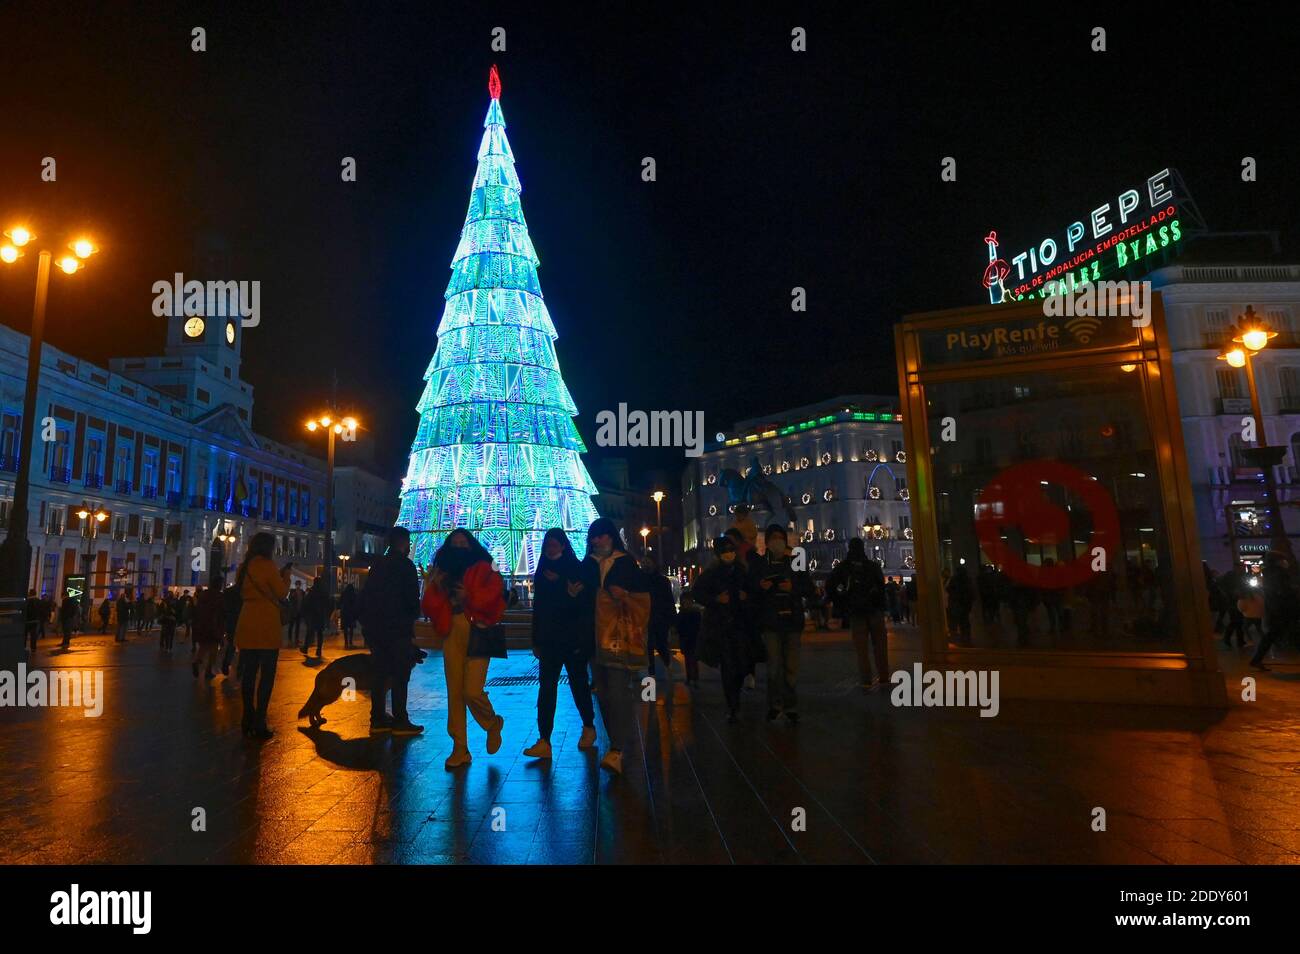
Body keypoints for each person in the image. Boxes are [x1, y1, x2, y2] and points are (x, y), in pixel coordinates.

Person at [421, 528, 507, 767]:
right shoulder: (441, 572)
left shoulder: (486, 567)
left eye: (463, 543)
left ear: (472, 545)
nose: (459, 547)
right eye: (455, 543)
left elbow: (495, 596)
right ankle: (459, 747)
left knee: (471, 690)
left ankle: (492, 723)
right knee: (455, 693)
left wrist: (468, 597)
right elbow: (429, 607)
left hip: (478, 629)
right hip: (452, 631)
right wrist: (435, 587)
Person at [581, 517, 649, 774]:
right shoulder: (587, 564)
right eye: (593, 537)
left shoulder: (626, 562)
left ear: (611, 536)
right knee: (604, 692)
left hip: (617, 636)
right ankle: (616, 741)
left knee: (618, 690)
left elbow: (642, 594)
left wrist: (626, 596)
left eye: (602, 536)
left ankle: (618, 747)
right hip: (592, 637)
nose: (597, 541)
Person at [521, 528, 596, 759]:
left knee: (578, 684)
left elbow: (582, 603)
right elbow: (539, 609)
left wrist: (561, 584)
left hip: (572, 638)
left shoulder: (575, 568)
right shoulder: (541, 570)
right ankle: (544, 739)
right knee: (546, 689)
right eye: (548, 545)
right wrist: (536, 639)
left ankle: (589, 726)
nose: (550, 548)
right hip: (549, 640)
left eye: (555, 544)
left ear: (563, 546)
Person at [360, 526, 424, 736]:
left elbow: (367, 596)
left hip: (377, 630)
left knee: (379, 674)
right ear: (404, 543)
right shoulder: (406, 566)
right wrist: (412, 616)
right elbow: (412, 600)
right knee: (399, 675)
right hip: (398, 630)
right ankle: (400, 719)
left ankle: (377, 719)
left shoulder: (377, 565)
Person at [749, 524, 814, 725]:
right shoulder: (760, 564)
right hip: (770, 621)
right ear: (767, 541)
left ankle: (791, 705)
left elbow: (808, 587)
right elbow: (750, 588)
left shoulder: (795, 561)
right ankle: (775, 705)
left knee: (791, 666)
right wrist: (760, 586)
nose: (777, 541)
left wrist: (792, 587)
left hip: (792, 620)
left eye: (780, 537)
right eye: (773, 537)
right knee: (774, 666)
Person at [233, 532, 292, 739]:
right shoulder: (268, 566)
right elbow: (282, 593)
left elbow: (240, 592)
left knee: (248, 674)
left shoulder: (243, 567)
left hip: (247, 620)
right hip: (266, 623)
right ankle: (260, 720)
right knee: (266, 676)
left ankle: (246, 716)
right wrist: (286, 576)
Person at [692, 535, 751, 720]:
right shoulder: (711, 574)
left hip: (741, 623)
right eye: (725, 552)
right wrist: (716, 600)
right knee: (728, 666)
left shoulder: (741, 571)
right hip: (722, 625)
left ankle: (736, 698)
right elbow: (697, 593)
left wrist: (746, 596)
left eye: (731, 550)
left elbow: (753, 590)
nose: (728, 554)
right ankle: (732, 704)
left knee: (742, 665)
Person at [828, 537, 889, 690]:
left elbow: (830, 586)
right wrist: (880, 605)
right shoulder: (872, 566)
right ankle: (883, 676)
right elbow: (882, 588)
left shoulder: (844, 567)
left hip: (856, 612)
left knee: (861, 650)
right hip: (875, 611)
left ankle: (866, 679)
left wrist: (841, 602)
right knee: (880, 646)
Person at [1252, 549, 1297, 671]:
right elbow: (1284, 591)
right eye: (1284, 560)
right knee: (1278, 633)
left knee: (1271, 634)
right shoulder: (1280, 574)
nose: (1286, 562)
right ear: (1279, 561)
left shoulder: (1268, 573)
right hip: (1284, 608)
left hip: (1274, 608)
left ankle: (1256, 659)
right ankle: (1256, 659)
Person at [642, 558, 677, 686]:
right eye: (644, 562)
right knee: (649, 646)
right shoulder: (644, 580)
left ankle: (664, 668)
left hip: (658, 618)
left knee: (660, 645)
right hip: (649, 618)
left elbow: (668, 600)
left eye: (648, 562)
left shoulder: (661, 581)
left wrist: (671, 619)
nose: (646, 564)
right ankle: (653, 674)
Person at [191, 581, 224, 680]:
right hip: (214, 626)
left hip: (202, 625)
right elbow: (222, 612)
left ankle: (196, 661)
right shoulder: (219, 596)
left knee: (203, 647)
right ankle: (208, 671)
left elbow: (197, 609)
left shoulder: (202, 595)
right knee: (213, 649)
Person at [676, 590, 702, 689]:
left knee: (692, 660)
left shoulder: (692, 613)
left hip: (691, 638)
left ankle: (693, 678)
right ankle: (691, 678)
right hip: (688, 639)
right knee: (689, 659)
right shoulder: (692, 613)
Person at [946, 565, 975, 646]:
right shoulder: (967, 579)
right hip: (965, 603)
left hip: (957, 603)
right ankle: (966, 637)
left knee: (957, 620)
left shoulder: (954, 579)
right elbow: (971, 591)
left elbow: (948, 589)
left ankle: (960, 637)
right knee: (965, 621)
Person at [301, 576, 328, 658]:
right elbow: (327, 603)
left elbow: (306, 603)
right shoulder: (324, 592)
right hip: (321, 615)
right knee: (320, 633)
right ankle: (319, 650)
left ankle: (305, 647)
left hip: (313, 615)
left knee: (309, 631)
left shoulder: (312, 591)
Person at [339, 582, 359, 649]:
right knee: (351, 628)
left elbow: (340, 602)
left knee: (345, 628)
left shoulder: (343, 594)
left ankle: (346, 642)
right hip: (351, 613)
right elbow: (356, 603)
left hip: (344, 613)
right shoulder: (353, 594)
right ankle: (350, 642)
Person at [287, 580, 305, 647]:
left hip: (299, 611)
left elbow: (303, 601)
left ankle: (296, 639)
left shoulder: (302, 592)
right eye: (297, 584)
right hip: (293, 611)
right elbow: (290, 598)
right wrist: (292, 595)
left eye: (299, 584)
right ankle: (290, 639)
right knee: (291, 626)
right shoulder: (292, 591)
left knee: (297, 626)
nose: (298, 585)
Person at [24, 589, 42, 656]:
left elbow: (26, 611)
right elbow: (41, 611)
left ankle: (24, 646)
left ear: (30, 593)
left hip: (28, 621)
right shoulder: (39, 601)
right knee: (33, 635)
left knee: (25, 634)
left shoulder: (27, 601)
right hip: (35, 620)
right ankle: (33, 648)